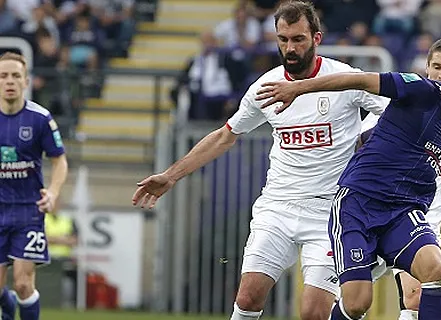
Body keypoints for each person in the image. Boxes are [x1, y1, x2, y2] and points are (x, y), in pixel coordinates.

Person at [131, 2, 388, 320]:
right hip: (278, 206)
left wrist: (368, 140)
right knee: (249, 295)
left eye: (298, 39)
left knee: (314, 312)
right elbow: (226, 135)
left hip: (330, 214)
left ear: (317, 38)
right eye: (283, 40)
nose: (290, 48)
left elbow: (394, 113)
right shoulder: (264, 87)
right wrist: (170, 175)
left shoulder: (346, 79)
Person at [255, 40, 441, 319]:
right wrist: (298, 88)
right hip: (359, 206)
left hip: (403, 213)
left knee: (436, 272)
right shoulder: (419, 89)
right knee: (358, 302)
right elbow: (359, 80)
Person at [361, 37, 441, 320]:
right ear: (426, 68)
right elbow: (362, 149)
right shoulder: (401, 107)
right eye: (436, 66)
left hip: (424, 217)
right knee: (355, 298)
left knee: (416, 299)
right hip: (377, 210)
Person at [0, 52, 69, 320]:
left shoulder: (39, 118)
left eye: (16, 75)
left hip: (28, 210)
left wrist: (52, 193)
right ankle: (7, 310)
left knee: (23, 284)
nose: (9, 81)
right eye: (3, 76)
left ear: (26, 81)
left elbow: (60, 161)